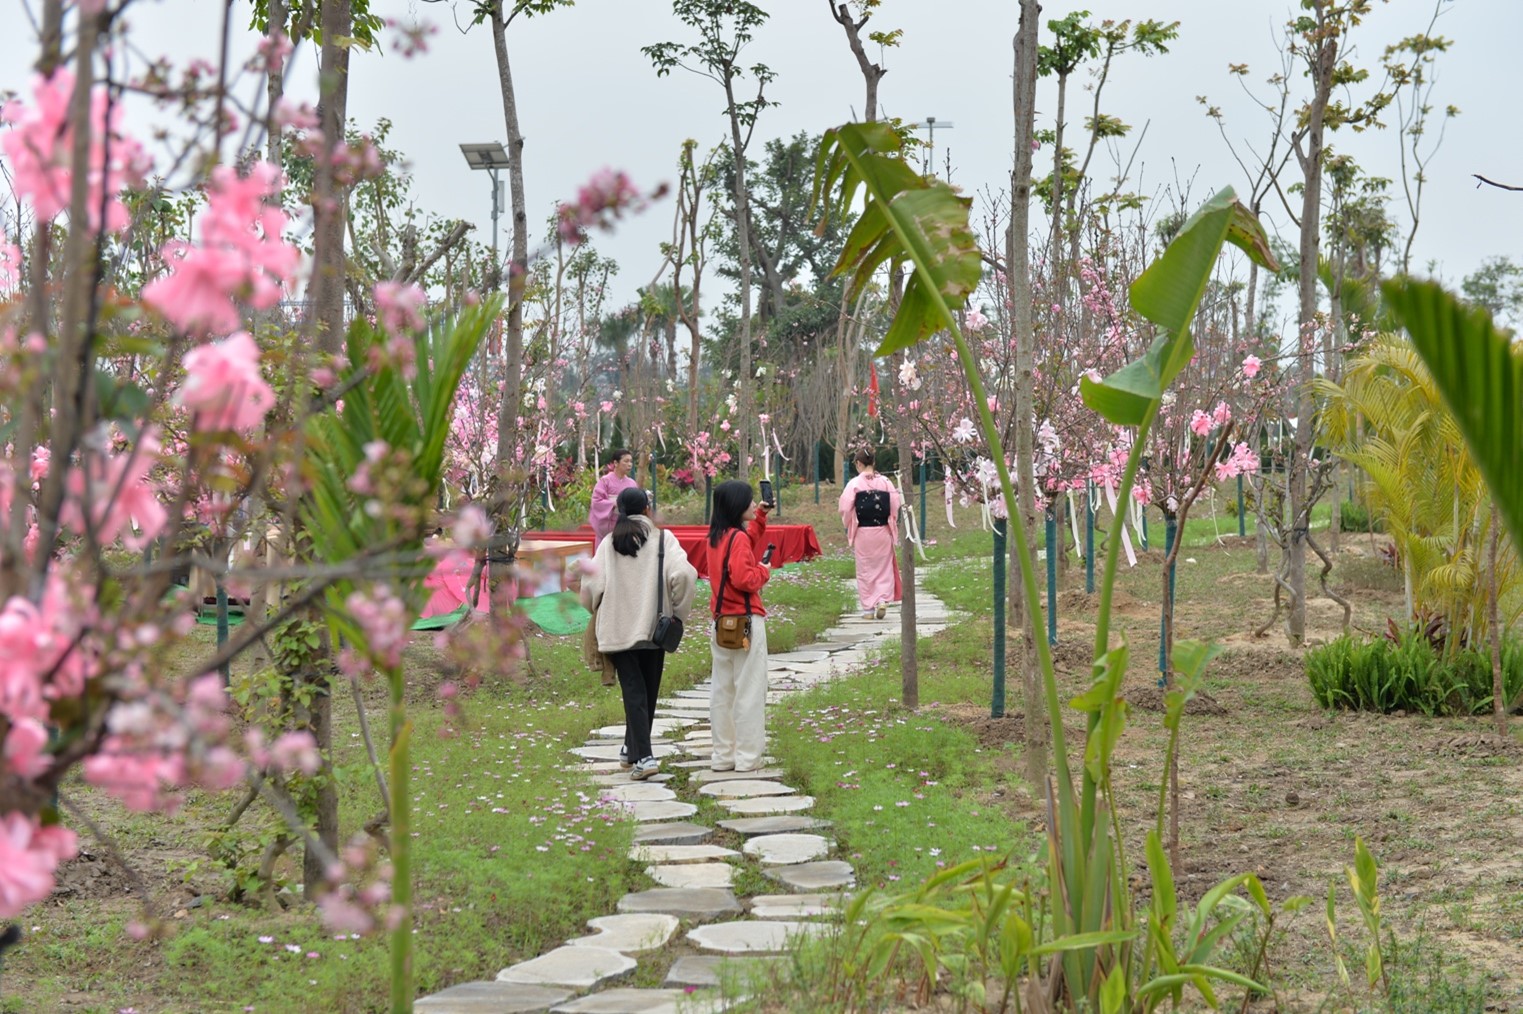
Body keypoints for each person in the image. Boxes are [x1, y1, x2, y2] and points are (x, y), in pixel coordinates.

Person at [580, 487, 697, 780]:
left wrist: (595, 607)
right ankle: (643, 757)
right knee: (647, 690)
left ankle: (633, 750)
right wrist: (677, 614)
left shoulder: (609, 543)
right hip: (653, 628)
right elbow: (684, 575)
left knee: (634, 690)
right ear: (647, 508)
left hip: (617, 628)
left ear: (618, 511)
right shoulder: (663, 540)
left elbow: (590, 586)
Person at [706, 480, 772, 773]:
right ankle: (747, 758)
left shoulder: (717, 537)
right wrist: (764, 571)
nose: (752, 503)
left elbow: (741, 545)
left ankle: (723, 756)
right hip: (747, 624)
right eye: (748, 501)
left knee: (723, 691)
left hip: (722, 624)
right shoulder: (738, 539)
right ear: (735, 505)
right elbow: (745, 578)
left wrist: (759, 516)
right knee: (750, 689)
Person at [838, 449, 902, 619]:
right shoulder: (886, 482)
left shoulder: (854, 484)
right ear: (873, 462)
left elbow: (844, 507)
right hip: (882, 530)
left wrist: (849, 521)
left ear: (858, 464)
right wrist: (891, 520)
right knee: (884, 567)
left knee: (865, 568)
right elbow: (895, 503)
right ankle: (882, 599)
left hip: (863, 532)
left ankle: (868, 610)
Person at [589, 449, 639, 543]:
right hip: (608, 523)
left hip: (626, 525)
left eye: (631, 461)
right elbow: (596, 502)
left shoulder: (632, 483)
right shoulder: (605, 481)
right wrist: (615, 503)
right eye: (626, 461)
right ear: (616, 463)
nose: (629, 464)